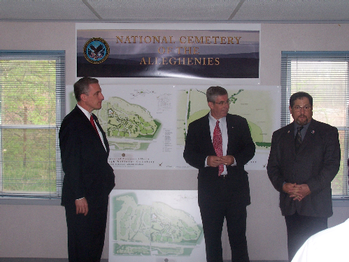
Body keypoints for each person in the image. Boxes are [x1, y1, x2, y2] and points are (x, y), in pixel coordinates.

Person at [183, 86, 255, 262]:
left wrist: (235, 159)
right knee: (212, 240)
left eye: (227, 101)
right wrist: (206, 160)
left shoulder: (239, 123)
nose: (226, 106)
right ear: (210, 104)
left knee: (238, 238)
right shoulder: (196, 126)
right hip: (210, 192)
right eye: (221, 103)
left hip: (236, 190)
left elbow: (250, 149)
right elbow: (189, 154)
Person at [267, 91, 340, 262]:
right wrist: (283, 186)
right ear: (291, 110)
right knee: (296, 250)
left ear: (312, 109)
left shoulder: (327, 132)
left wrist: (309, 187)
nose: (302, 111)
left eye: (306, 107)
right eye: (298, 107)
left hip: (316, 203)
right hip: (291, 203)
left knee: (317, 253)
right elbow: (273, 167)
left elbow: (332, 166)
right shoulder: (279, 135)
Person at [59, 77, 115, 262]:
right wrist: (78, 195)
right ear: (83, 97)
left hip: (96, 194)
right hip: (83, 198)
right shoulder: (72, 123)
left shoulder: (91, 119)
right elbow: (70, 162)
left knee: (95, 244)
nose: (102, 96)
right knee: (82, 246)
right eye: (97, 93)